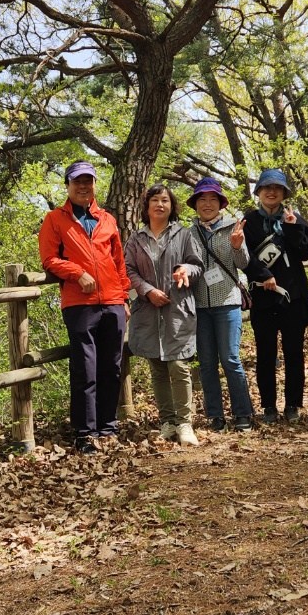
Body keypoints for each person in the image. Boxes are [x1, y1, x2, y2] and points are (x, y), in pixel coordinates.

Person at [39, 160, 132, 452]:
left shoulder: (107, 219)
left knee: (112, 368)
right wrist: (77, 272)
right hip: (79, 304)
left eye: (88, 181)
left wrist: (124, 297)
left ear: (94, 185)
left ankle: (108, 428)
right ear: (67, 185)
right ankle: (84, 433)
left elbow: (118, 262)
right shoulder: (55, 219)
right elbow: (49, 259)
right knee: (85, 368)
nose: (83, 186)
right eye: (78, 181)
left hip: (113, 302)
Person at [125, 184, 203, 446]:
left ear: (172, 206)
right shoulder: (136, 239)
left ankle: (184, 423)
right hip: (148, 312)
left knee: (179, 366)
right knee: (157, 368)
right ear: (146, 207)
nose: (160, 204)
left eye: (166, 200)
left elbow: (197, 265)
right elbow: (128, 270)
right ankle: (167, 422)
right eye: (155, 200)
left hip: (177, 309)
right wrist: (147, 291)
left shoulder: (184, 234)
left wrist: (185, 270)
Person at [242, 169, 308, 423]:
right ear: (258, 192)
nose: (271, 192)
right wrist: (263, 274)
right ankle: (269, 407)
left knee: (294, 352)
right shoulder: (249, 221)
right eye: (266, 188)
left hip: (292, 297)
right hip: (263, 298)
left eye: (277, 188)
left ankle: (293, 405)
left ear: (284, 192)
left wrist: (293, 228)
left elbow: (307, 251)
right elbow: (243, 257)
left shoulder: (294, 217)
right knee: (265, 354)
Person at [187, 177, 253, 432]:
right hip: (200, 305)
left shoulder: (232, 228)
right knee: (206, 362)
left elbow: (244, 263)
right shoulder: (188, 233)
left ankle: (243, 413)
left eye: (212, 199)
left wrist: (237, 247)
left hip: (228, 302)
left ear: (220, 203)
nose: (207, 204)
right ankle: (216, 416)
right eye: (202, 199)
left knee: (230, 358)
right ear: (195, 204)